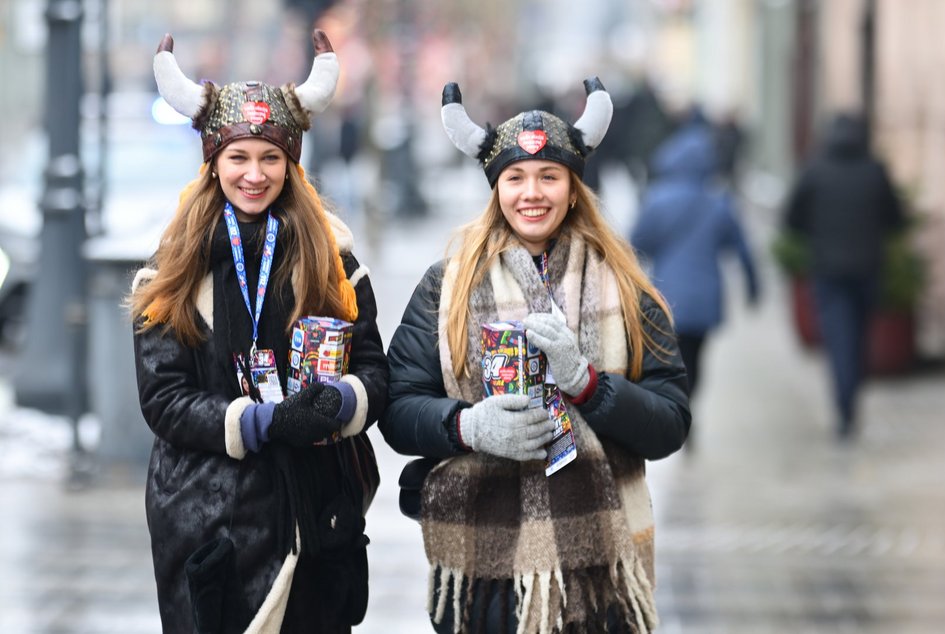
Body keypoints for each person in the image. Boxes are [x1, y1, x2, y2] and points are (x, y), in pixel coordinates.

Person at [379, 78, 691, 633]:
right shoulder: (446, 287)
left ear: (573, 189)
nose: (532, 193)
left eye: (549, 176)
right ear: (495, 188)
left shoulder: (625, 288)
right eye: (515, 177)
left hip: (599, 575)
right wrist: (468, 426)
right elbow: (399, 409)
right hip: (483, 572)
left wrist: (589, 385)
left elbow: (669, 423)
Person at [129, 30, 388, 632]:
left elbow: (376, 371)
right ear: (213, 164)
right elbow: (163, 399)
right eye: (238, 158)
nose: (254, 174)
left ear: (291, 165)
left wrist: (340, 402)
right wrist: (259, 421)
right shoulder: (170, 270)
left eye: (270, 158)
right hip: (207, 519)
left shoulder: (337, 263)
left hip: (316, 517)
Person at [783, 112, 904, 440]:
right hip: (868, 268)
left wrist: (815, 235)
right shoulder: (874, 171)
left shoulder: (815, 170)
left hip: (828, 269)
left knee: (839, 338)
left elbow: (791, 218)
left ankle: (844, 408)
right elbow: (895, 218)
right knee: (859, 335)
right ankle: (850, 400)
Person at [630, 110, 759, 407]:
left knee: (668, 358)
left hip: (667, 294)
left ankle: (675, 408)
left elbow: (637, 244)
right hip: (704, 297)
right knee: (695, 359)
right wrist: (753, 287)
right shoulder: (719, 203)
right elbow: (741, 247)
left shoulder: (657, 199)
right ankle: (687, 407)